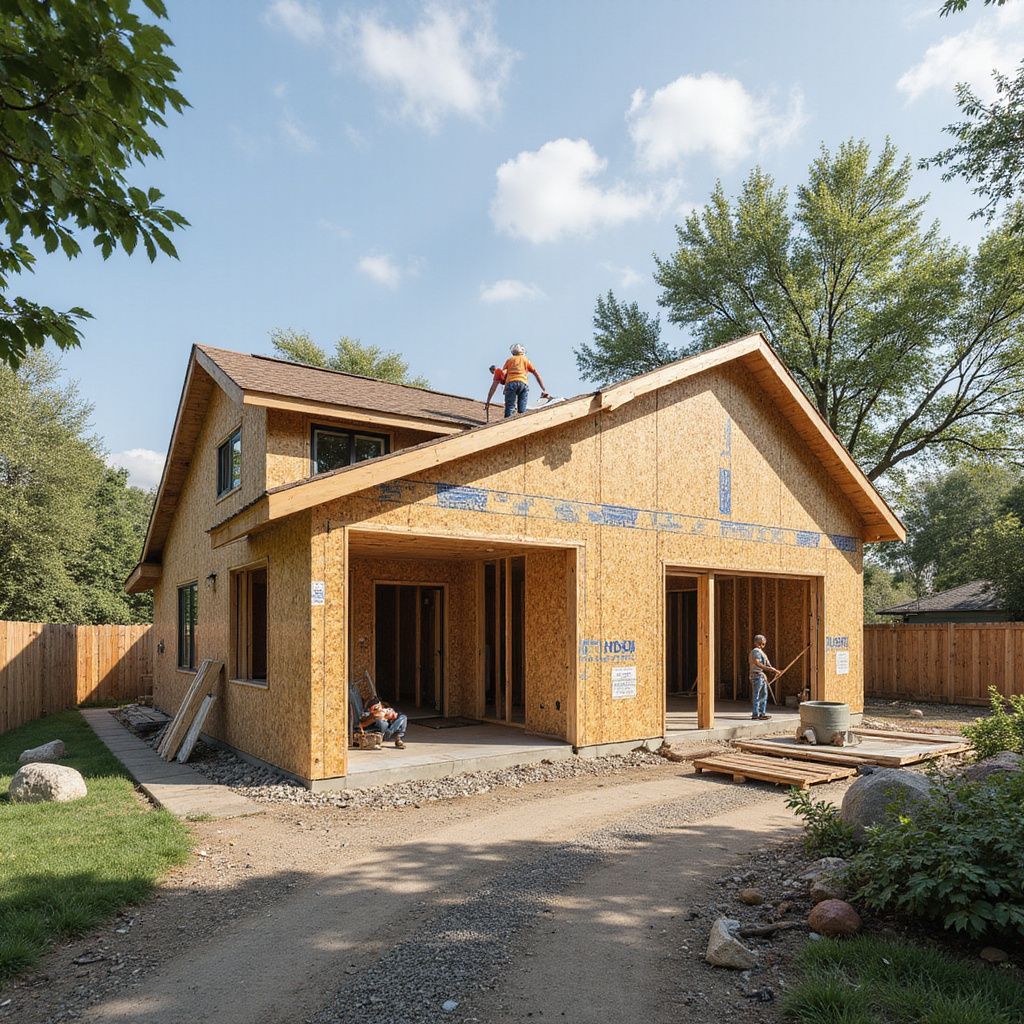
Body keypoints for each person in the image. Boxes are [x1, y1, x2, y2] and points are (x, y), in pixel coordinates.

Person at [498, 344, 551, 418]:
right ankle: (522, 418)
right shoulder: (526, 360)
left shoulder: (509, 360)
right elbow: (536, 374)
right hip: (523, 384)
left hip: (511, 383)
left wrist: (500, 379)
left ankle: (508, 422)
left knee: (510, 407)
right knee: (522, 410)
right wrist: (543, 388)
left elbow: (503, 373)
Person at [749, 634, 780, 721]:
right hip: (757, 675)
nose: (763, 645)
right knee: (757, 695)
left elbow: (766, 664)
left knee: (763, 695)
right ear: (759, 643)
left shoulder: (760, 652)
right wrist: (772, 670)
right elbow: (758, 663)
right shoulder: (756, 652)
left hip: (760, 675)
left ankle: (762, 713)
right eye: (763, 643)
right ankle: (756, 714)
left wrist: (773, 670)